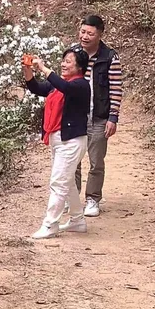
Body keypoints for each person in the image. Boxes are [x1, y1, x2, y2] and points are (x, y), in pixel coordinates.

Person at [23, 48, 91, 239]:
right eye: (63, 60)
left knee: (58, 182)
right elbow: (36, 88)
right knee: (66, 181)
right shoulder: (58, 85)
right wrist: (28, 69)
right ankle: (77, 220)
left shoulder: (81, 85)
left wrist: (44, 68)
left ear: (79, 67)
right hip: (58, 139)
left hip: (72, 141)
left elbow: (65, 88)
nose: (63, 64)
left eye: (68, 61)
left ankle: (50, 224)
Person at [74, 14, 124, 217]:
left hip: (99, 116)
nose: (85, 37)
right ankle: (72, 196)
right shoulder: (74, 53)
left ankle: (92, 199)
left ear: (100, 34)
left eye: (90, 33)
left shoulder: (109, 57)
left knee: (96, 161)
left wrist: (113, 117)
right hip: (76, 116)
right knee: (73, 159)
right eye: (83, 32)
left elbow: (116, 89)